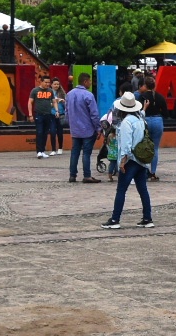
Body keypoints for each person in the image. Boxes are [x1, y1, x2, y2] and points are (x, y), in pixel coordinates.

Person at [101, 93, 154, 229]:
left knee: (121, 190)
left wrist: (123, 162)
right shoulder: (140, 119)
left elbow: (126, 145)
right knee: (143, 189)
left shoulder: (126, 123)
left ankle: (115, 219)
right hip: (141, 159)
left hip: (130, 160)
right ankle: (147, 218)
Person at [65, 73, 100, 183]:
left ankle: (72, 175)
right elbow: (94, 114)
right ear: (85, 82)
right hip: (87, 129)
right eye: (89, 81)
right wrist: (98, 128)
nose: (90, 83)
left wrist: (71, 124)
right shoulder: (88, 95)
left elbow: (66, 112)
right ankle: (87, 175)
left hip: (75, 129)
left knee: (75, 152)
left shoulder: (69, 94)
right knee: (86, 153)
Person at [138, 77, 167, 180]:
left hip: (145, 121)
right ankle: (153, 172)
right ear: (154, 86)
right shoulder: (160, 97)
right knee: (155, 148)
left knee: (144, 146)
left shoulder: (141, 97)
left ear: (145, 86)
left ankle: (145, 171)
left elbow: (138, 111)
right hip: (157, 121)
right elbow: (165, 112)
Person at [30, 74, 58, 158]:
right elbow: (30, 102)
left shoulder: (50, 91)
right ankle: (38, 151)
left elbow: (54, 101)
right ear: (41, 82)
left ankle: (42, 151)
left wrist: (57, 111)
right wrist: (30, 114)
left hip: (48, 114)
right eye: (46, 82)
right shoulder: (35, 91)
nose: (47, 84)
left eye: (49, 82)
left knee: (45, 133)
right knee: (39, 132)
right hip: (39, 114)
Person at [50, 80, 68, 155]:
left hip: (61, 114)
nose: (56, 85)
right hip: (52, 113)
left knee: (60, 132)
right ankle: (53, 149)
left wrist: (63, 101)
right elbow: (47, 104)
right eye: (55, 84)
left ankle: (60, 148)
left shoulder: (62, 93)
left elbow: (67, 104)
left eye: (58, 84)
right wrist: (55, 102)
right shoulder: (49, 92)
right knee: (52, 131)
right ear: (51, 85)